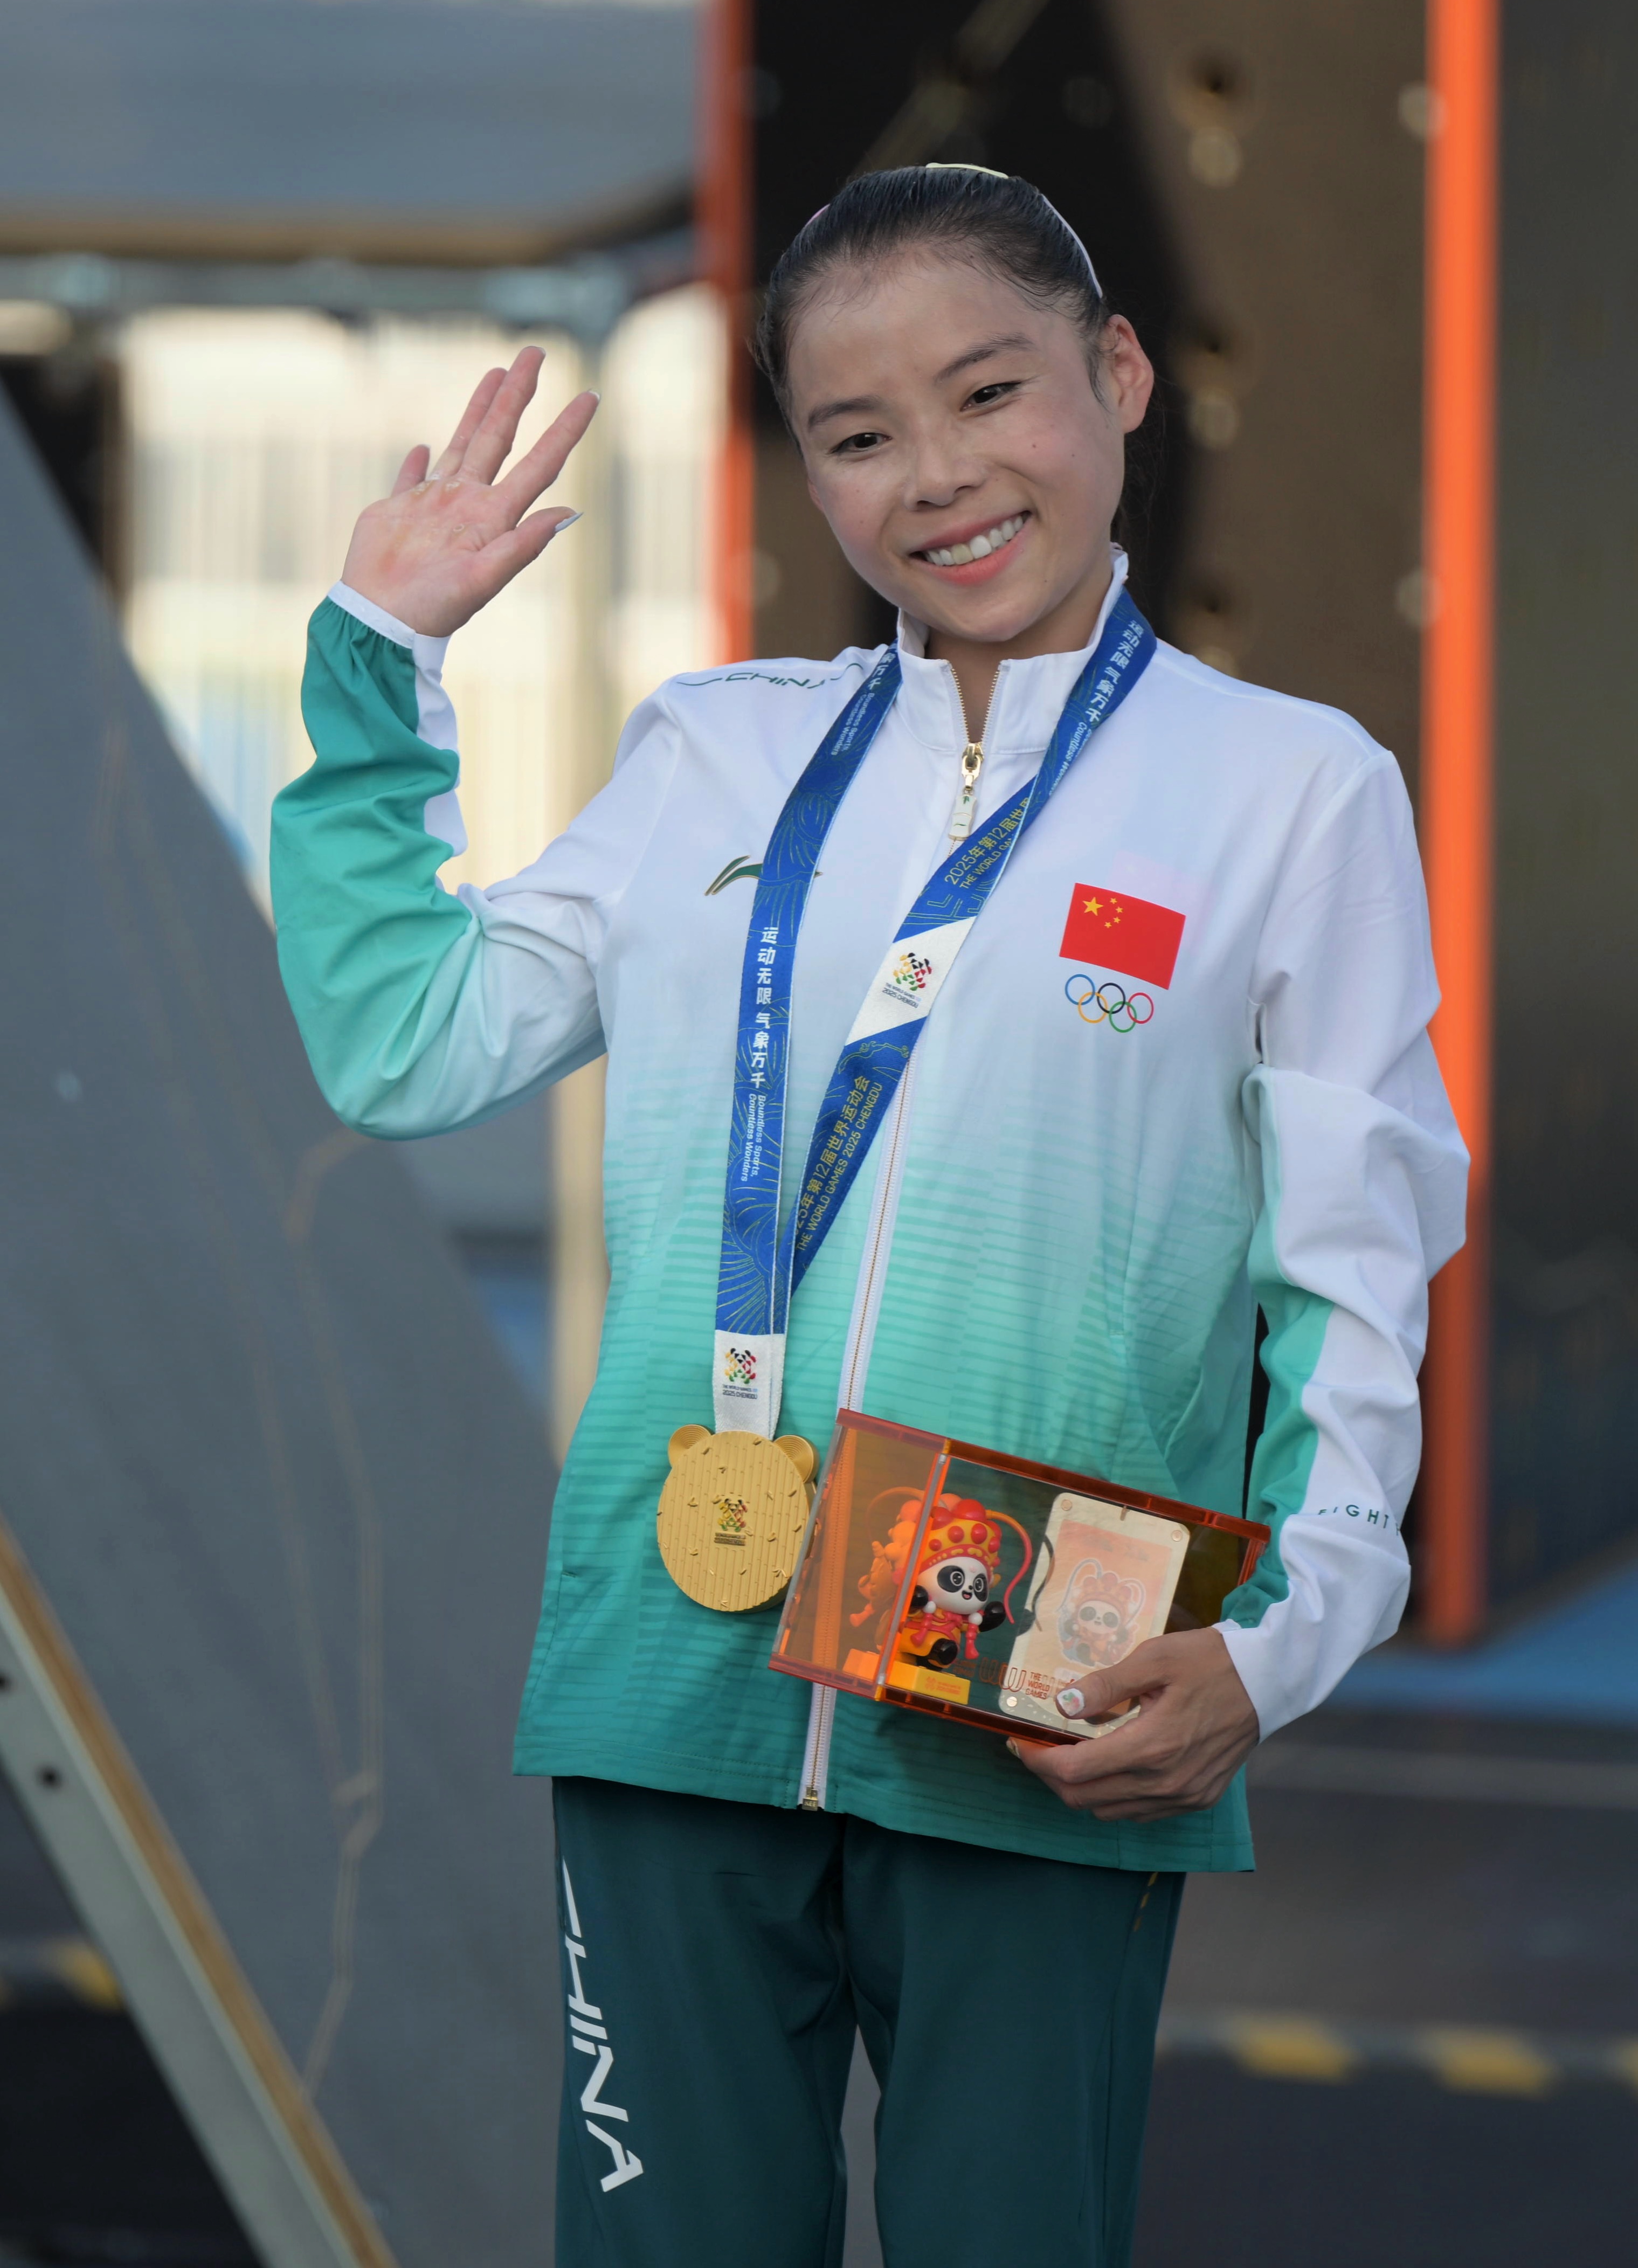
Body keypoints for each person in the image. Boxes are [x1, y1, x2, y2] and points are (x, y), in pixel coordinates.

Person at [270, 165, 1467, 2267]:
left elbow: (1350, 1272)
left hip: (1052, 1686)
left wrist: (1281, 1643)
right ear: (808, 474)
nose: (937, 474)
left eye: (989, 392)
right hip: (673, 1657)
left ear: (1117, 376)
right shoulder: (715, 754)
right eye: (857, 432)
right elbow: (402, 1046)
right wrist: (383, 668)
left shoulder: (1292, 789)